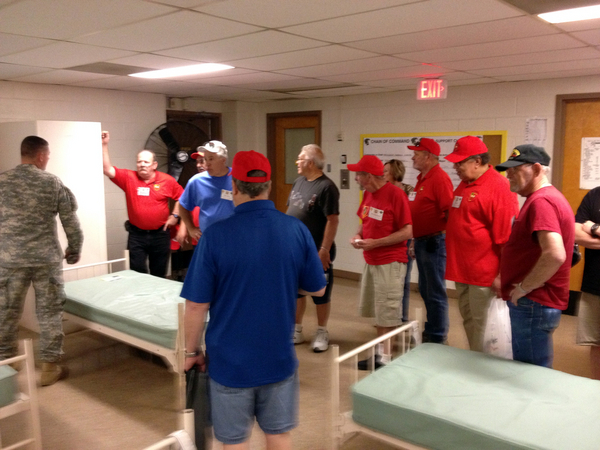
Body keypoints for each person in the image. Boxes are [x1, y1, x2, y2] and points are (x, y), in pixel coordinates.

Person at [182, 150, 326, 450]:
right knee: (278, 435)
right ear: (269, 186)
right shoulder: (296, 230)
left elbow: (196, 305)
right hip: (278, 357)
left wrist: (191, 351)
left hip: (229, 363)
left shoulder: (215, 236)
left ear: (234, 186)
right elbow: (318, 290)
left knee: (234, 441)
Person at [0, 136, 83, 386]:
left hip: (11, 259)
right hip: (45, 259)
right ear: (40, 156)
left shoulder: (2, 181)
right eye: (47, 155)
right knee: (49, 313)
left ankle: (6, 360)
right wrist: (75, 249)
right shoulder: (52, 182)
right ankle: (49, 366)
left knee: (6, 311)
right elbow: (71, 222)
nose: (47, 160)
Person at [497, 144, 574, 368]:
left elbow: (555, 254)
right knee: (534, 368)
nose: (508, 173)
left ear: (537, 169)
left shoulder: (542, 202)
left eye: (515, 168)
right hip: (536, 302)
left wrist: (523, 288)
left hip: (534, 302)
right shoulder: (545, 198)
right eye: (507, 169)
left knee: (530, 372)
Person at [444, 136, 519, 352]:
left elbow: (507, 239)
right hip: (462, 270)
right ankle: (475, 360)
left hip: (484, 274)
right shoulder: (465, 183)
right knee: (470, 321)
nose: (455, 167)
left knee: (486, 328)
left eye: (460, 162)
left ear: (477, 161)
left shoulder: (499, 187)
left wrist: (502, 275)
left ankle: (483, 370)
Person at [348, 155, 412, 369]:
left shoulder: (396, 195)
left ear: (368, 176)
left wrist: (377, 243)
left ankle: (385, 358)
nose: (356, 178)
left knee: (388, 311)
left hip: (390, 261)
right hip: (372, 260)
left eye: (358, 174)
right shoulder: (368, 194)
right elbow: (363, 221)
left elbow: (407, 231)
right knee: (378, 310)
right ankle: (378, 353)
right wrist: (358, 237)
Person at [102, 131, 183, 278]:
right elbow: (107, 169)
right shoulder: (129, 177)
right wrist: (104, 145)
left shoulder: (167, 180)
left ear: (154, 165)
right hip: (137, 235)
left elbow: (182, 197)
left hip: (160, 234)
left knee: (159, 273)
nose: (142, 165)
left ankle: (156, 300)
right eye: (139, 162)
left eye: (146, 162)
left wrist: (175, 215)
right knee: (136, 272)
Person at [287, 144, 340, 352]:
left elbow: (333, 220)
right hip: (295, 249)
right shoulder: (299, 182)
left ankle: (321, 332)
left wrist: (324, 249)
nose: (297, 163)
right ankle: (297, 330)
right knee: (297, 292)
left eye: (299, 159)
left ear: (310, 162)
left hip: (317, 250)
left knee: (321, 293)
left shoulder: (327, 187)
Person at [406, 138, 454, 344]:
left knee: (434, 290)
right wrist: (414, 240)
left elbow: (449, 213)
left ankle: (437, 335)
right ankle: (432, 328)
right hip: (423, 241)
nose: (412, 156)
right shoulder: (422, 178)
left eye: (416, 153)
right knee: (426, 289)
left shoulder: (439, 179)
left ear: (428, 156)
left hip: (435, 242)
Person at [178, 140, 234, 243]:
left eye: (211, 159)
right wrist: (190, 228)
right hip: (207, 240)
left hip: (233, 239)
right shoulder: (196, 181)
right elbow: (183, 206)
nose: (207, 163)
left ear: (223, 160)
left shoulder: (237, 179)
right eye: (205, 159)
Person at [574, 188, 600, 379]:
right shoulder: (594, 196)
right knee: (596, 343)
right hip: (594, 284)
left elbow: (584, 229)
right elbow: (575, 232)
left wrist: (594, 228)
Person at [384, 159, 414, 323]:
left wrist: (413, 241)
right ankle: (387, 316)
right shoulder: (382, 190)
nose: (383, 174)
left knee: (403, 280)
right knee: (386, 282)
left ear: (395, 172)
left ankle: (402, 317)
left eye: (386, 171)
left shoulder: (409, 191)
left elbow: (413, 217)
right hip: (385, 241)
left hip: (404, 241)